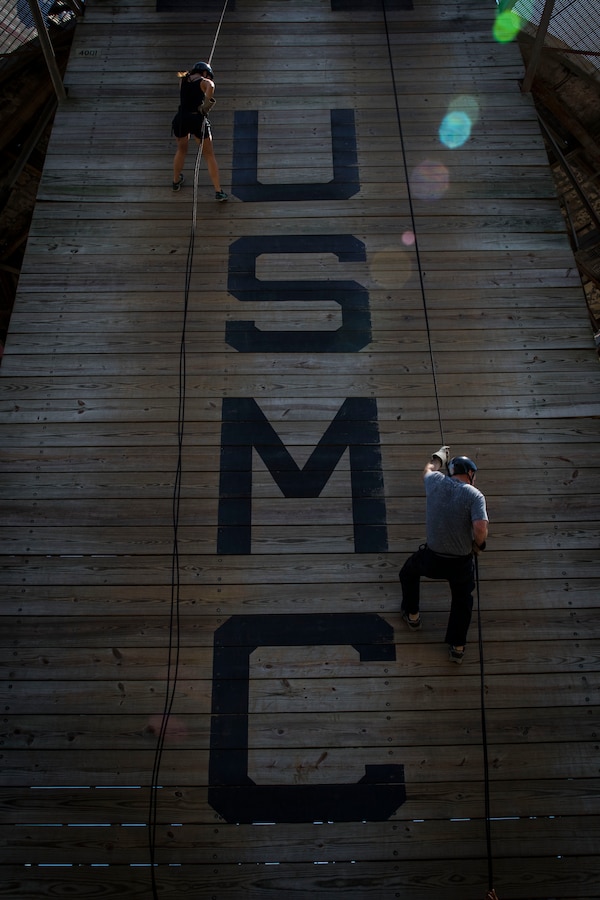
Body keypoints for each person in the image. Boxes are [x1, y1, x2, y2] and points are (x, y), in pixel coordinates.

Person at [399, 446, 489, 664]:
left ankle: (412, 616)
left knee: (408, 572)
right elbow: (480, 527)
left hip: (433, 558)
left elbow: (428, 469)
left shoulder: (436, 482)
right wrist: (479, 545)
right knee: (462, 600)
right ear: (469, 473)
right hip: (460, 562)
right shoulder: (475, 495)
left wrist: (438, 457)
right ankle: (457, 647)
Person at [171, 61, 228, 201]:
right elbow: (211, 85)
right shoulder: (204, 81)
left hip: (181, 119)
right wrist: (207, 101)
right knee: (209, 155)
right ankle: (218, 191)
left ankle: (175, 181)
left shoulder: (183, 80)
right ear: (204, 73)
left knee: (181, 150)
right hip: (197, 119)